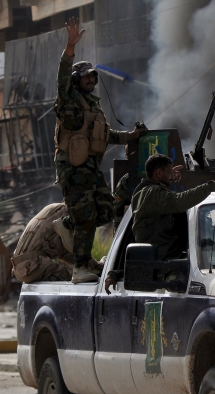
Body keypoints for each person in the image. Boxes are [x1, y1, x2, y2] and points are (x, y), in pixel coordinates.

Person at [51, 16, 147, 284]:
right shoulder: (68, 101)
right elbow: (61, 76)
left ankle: (67, 225)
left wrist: (131, 137)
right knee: (86, 217)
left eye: (93, 77)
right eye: (85, 78)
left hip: (90, 169)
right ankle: (80, 267)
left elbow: (105, 136)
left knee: (107, 210)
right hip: (73, 168)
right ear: (76, 80)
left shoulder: (93, 106)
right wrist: (70, 47)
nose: (91, 81)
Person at [132, 154, 215, 260]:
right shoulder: (154, 193)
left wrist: (168, 176)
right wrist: (214, 185)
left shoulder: (143, 190)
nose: (171, 176)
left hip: (162, 257)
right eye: (169, 172)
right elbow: (180, 201)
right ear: (159, 173)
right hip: (162, 262)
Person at [12, 203, 102, 283]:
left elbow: (67, 252)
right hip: (32, 266)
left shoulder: (54, 209)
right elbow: (73, 250)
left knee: (81, 274)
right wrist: (96, 266)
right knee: (84, 278)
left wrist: (95, 265)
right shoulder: (66, 215)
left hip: (22, 267)